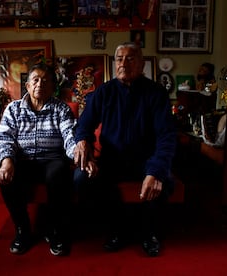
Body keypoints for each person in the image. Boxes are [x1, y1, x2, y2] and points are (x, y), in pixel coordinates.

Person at [73, 42, 177, 257]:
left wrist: (155, 171)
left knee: (164, 181)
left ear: (141, 64)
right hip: (113, 159)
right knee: (81, 178)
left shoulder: (156, 93)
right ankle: (115, 229)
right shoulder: (104, 91)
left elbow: (166, 136)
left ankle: (150, 233)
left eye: (130, 58)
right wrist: (83, 141)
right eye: (119, 58)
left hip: (146, 160)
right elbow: (84, 124)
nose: (123, 63)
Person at [0, 63, 96, 256]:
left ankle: (56, 229)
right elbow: (5, 137)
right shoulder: (13, 109)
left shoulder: (61, 109)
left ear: (52, 87)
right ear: (27, 85)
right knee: (6, 177)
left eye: (45, 81)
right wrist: (6, 160)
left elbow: (69, 135)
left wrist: (78, 154)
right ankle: (22, 230)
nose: (40, 84)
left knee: (58, 173)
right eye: (35, 80)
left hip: (52, 160)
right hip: (23, 161)